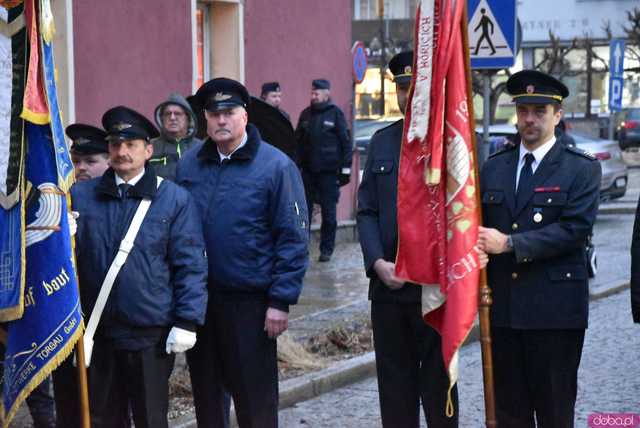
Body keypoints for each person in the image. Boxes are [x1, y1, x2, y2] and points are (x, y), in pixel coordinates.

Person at [176, 77, 308, 428]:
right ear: (204, 118)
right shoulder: (189, 165)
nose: (221, 120)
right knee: (206, 400)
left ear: (245, 115)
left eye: (229, 112)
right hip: (200, 303)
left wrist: (281, 299)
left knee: (255, 403)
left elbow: (293, 238)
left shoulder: (275, 167)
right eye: (213, 113)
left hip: (251, 306)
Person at [71, 106, 208, 428]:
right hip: (97, 330)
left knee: (150, 416)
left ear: (148, 150)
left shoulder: (173, 199)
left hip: (149, 331)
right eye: (116, 144)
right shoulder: (80, 196)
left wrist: (188, 320)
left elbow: (190, 263)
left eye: (131, 145)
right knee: (103, 417)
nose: (122, 152)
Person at [477, 70, 601, 427]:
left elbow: (574, 230)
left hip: (554, 314)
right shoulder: (494, 168)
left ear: (557, 115)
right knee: (510, 413)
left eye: (539, 111)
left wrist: (510, 244)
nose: (529, 120)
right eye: (523, 111)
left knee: (553, 412)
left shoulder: (580, 169)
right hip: (504, 313)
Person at [357, 51, 473, 428]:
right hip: (389, 286)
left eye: (415, 87)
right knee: (394, 390)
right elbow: (367, 211)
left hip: (435, 288)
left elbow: (466, 213)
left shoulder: (452, 142)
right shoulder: (383, 141)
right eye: (402, 88)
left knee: (439, 391)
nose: (408, 96)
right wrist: (376, 263)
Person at [52, 123, 112, 428]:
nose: (81, 169)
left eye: (91, 162)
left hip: (104, 313)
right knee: (67, 400)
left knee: (104, 402)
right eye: (76, 162)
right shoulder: (61, 198)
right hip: (65, 311)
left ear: (109, 161)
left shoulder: (115, 199)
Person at [296, 78, 352, 262]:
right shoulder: (305, 115)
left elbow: (345, 142)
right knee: (303, 213)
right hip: (308, 173)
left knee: (329, 214)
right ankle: (302, 248)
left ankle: (326, 250)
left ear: (326, 93)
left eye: (316, 93)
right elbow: (297, 144)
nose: (313, 96)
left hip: (329, 173)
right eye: (312, 93)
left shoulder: (336, 114)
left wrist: (345, 170)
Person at [150, 93, 202, 180]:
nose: (172, 118)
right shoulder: (149, 147)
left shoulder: (202, 148)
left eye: (178, 113)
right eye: (167, 114)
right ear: (162, 118)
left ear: (188, 118)